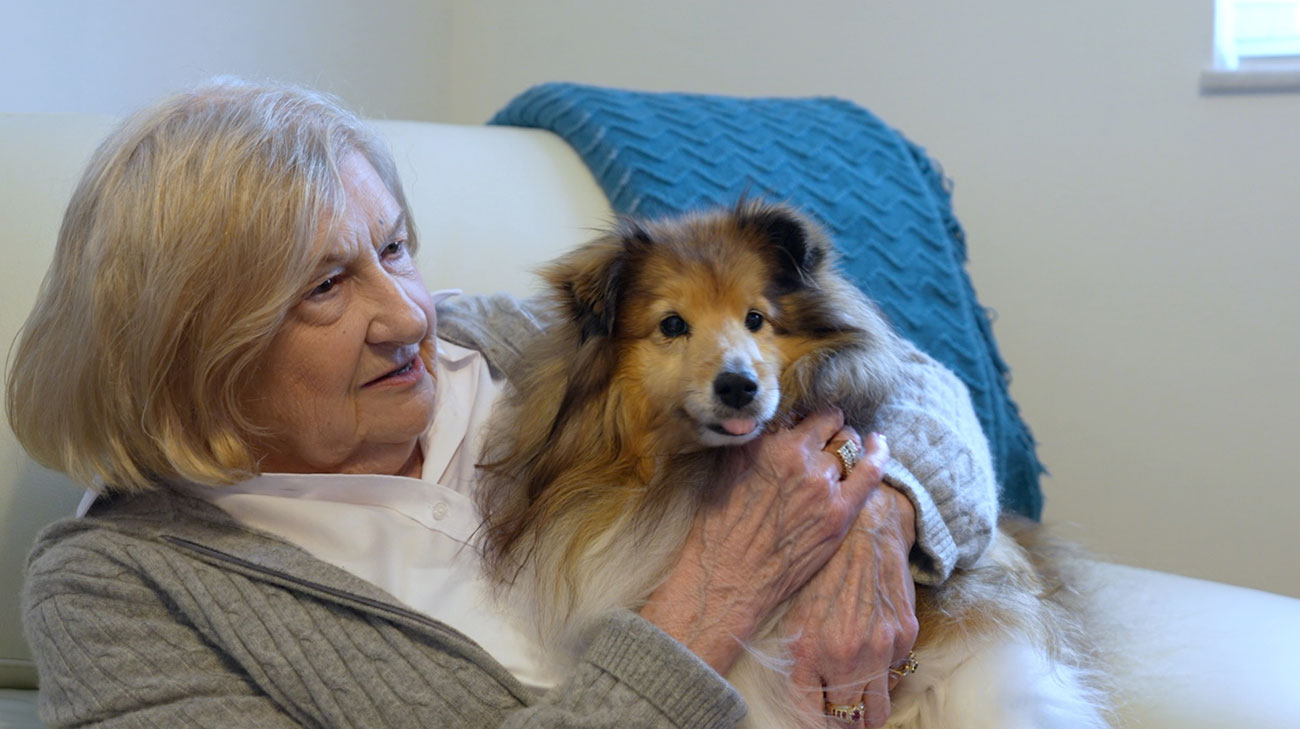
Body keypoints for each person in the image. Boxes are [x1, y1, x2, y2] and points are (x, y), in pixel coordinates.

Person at [8, 78, 997, 729]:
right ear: (194, 351)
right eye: (323, 288)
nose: (406, 314)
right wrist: (710, 602)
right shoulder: (120, 590)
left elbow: (915, 381)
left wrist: (876, 507)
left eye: (393, 248)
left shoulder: (519, 345)